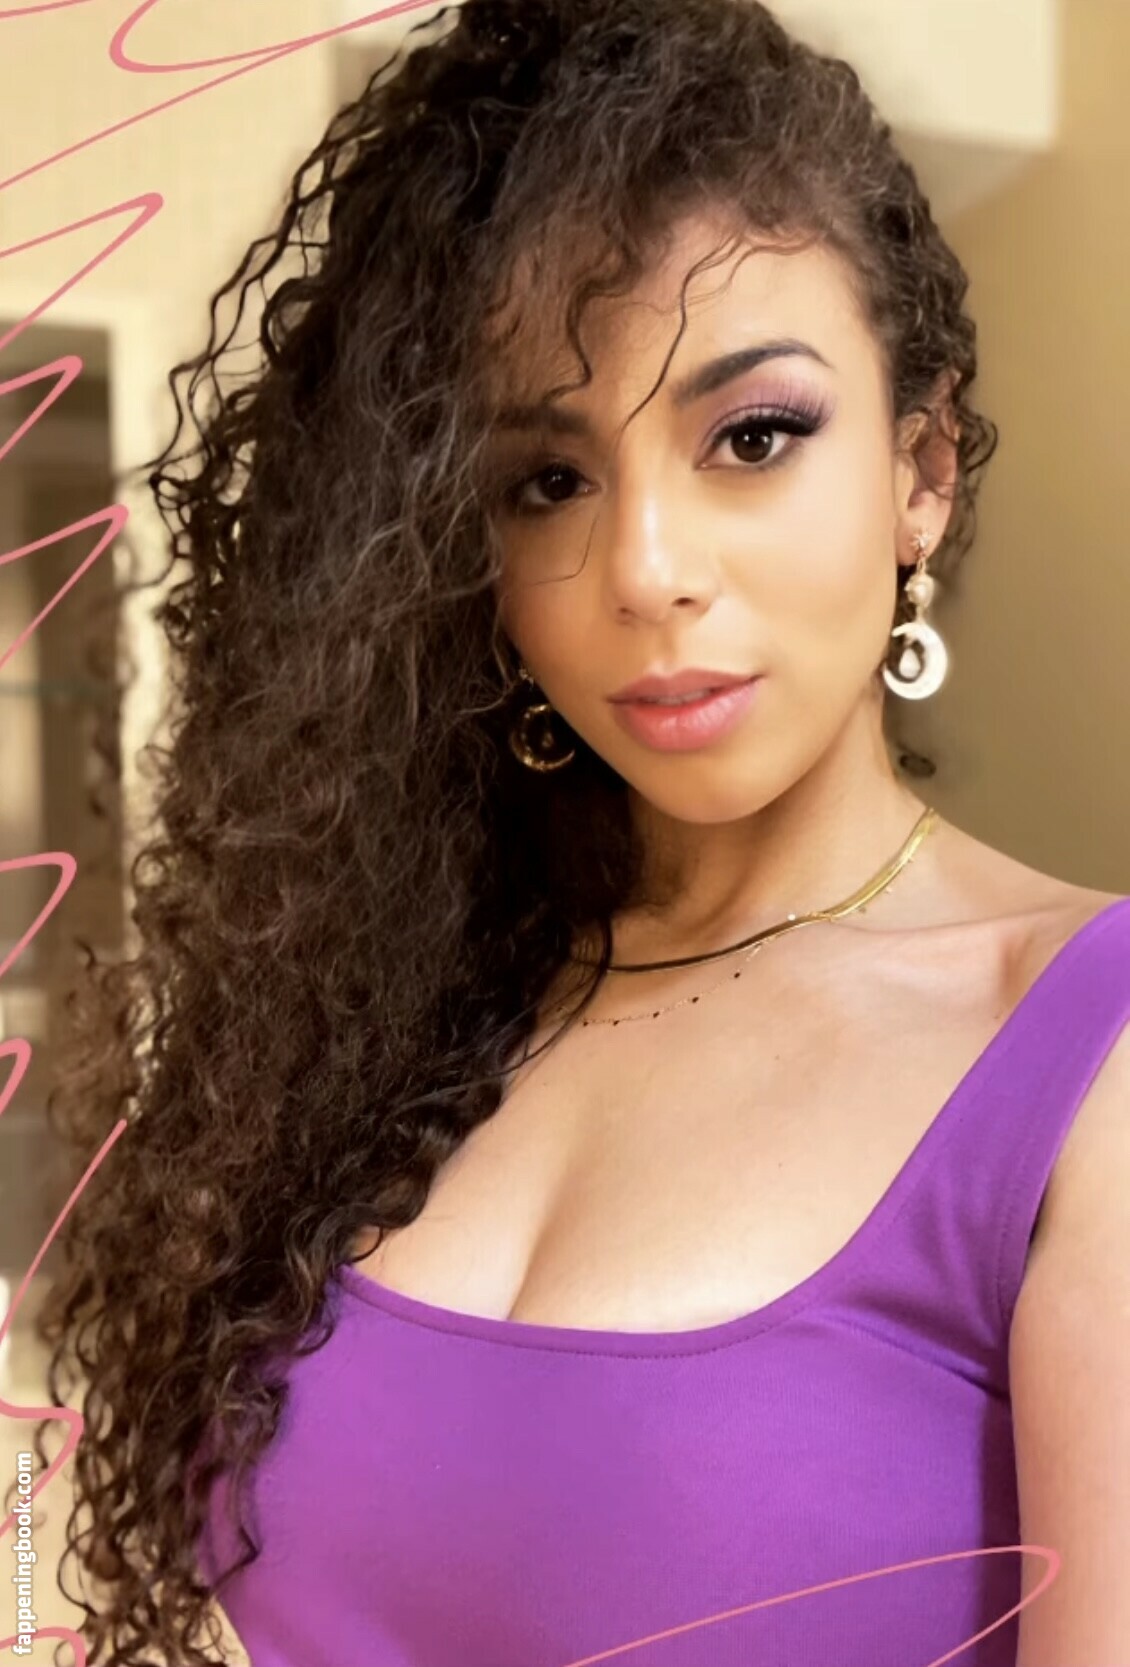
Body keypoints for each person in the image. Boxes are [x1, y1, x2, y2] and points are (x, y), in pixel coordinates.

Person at [31, 0, 1130, 1663]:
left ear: (919, 471)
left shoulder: (1082, 1061)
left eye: (751, 437)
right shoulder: (400, 1022)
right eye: (546, 481)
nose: (646, 571)